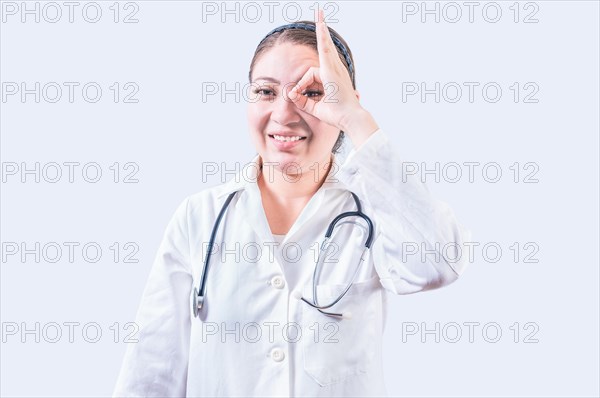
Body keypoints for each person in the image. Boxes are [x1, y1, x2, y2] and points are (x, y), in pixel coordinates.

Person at [113, 9, 470, 397]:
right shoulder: (199, 218)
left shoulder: (374, 211)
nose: (284, 114)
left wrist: (357, 120)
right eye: (265, 91)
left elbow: (438, 263)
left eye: (313, 93)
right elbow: (150, 375)